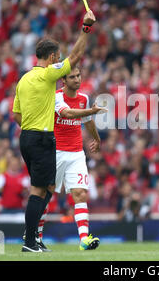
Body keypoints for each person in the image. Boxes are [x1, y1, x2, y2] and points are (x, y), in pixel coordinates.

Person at [12, 9, 96, 252]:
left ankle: (34, 238)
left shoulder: (24, 79)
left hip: (26, 137)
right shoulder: (49, 75)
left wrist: (31, 127)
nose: (59, 61)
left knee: (45, 188)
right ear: (51, 58)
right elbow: (77, 55)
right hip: (41, 138)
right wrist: (86, 27)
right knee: (39, 191)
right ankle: (29, 242)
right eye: (57, 58)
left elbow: (16, 114)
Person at [37, 66, 106, 251]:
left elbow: (86, 121)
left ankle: (84, 239)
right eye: (72, 77)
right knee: (46, 194)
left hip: (76, 153)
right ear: (63, 81)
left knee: (80, 193)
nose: (77, 79)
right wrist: (91, 112)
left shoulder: (83, 99)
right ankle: (37, 237)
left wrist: (97, 139)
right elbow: (67, 113)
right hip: (56, 152)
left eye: (78, 75)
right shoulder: (56, 97)